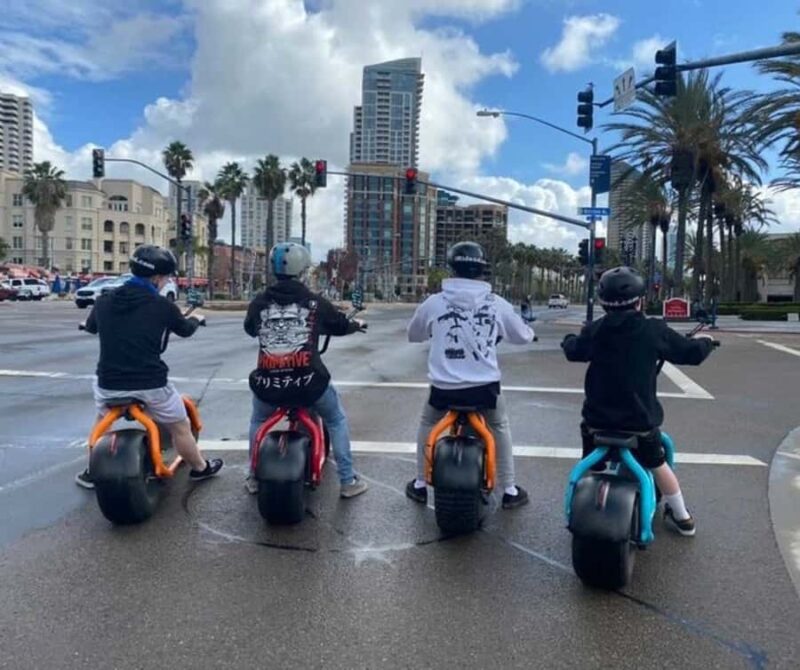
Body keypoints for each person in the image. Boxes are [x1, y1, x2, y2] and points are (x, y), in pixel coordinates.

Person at [561, 266, 716, 536]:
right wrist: (706, 342)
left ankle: (592, 474)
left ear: (602, 302)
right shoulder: (652, 329)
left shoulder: (595, 330)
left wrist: (569, 339)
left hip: (597, 421)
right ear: (640, 300)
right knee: (658, 463)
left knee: (588, 457)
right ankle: (682, 517)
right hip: (639, 421)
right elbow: (690, 353)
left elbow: (574, 351)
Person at [75, 245, 223, 488]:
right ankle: (200, 468)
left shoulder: (103, 301)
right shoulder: (161, 305)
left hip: (109, 385)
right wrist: (196, 318)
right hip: (151, 386)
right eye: (165, 278)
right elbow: (185, 330)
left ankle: (91, 471)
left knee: (102, 419)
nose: (166, 283)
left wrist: (89, 324)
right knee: (180, 425)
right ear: (156, 278)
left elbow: (91, 327)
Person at [406, 241, 534, 509]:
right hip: (484, 389)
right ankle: (509, 489)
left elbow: (413, 334)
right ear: (482, 269)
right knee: (499, 426)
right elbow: (522, 336)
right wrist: (531, 333)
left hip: (444, 389)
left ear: (452, 267)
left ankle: (419, 484)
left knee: (428, 423)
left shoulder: (434, 302)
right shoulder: (497, 303)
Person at [244, 242, 368, 499]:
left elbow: (250, 328)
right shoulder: (315, 302)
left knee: (258, 419)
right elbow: (340, 325)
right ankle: (347, 480)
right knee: (335, 419)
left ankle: (253, 476)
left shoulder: (259, 302)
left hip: (268, 385)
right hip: (309, 384)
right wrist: (355, 325)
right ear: (303, 270)